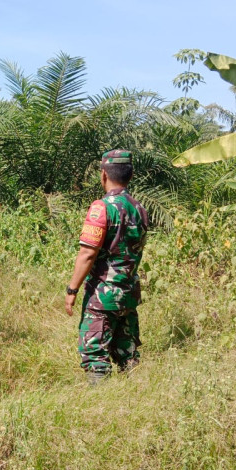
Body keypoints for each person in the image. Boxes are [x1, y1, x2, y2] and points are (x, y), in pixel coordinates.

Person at [65, 149, 149, 385]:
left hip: (103, 296)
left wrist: (72, 290)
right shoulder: (140, 208)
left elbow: (88, 253)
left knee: (94, 354)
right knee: (127, 354)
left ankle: (99, 405)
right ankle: (134, 400)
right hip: (129, 293)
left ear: (103, 174)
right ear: (130, 176)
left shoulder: (102, 207)